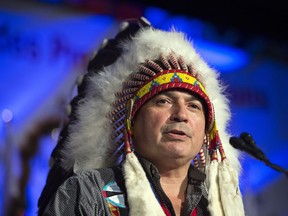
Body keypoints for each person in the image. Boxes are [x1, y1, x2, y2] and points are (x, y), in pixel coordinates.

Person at [39, 17, 245, 216]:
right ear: (132, 123)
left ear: (207, 130)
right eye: (163, 101)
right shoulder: (91, 193)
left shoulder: (219, 204)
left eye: (193, 106)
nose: (181, 115)